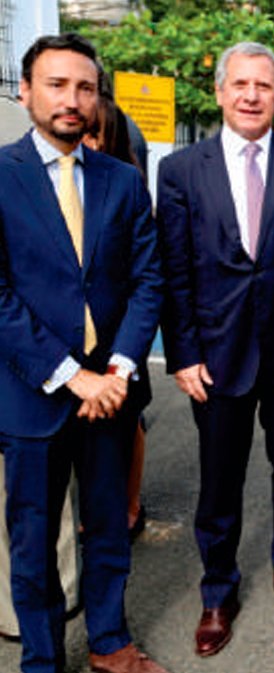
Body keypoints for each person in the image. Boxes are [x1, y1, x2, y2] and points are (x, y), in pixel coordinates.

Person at [155, 41, 274, 657]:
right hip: (215, 351)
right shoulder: (181, 171)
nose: (251, 95)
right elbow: (175, 271)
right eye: (240, 84)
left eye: (264, 86)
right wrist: (182, 353)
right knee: (219, 480)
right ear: (219, 92)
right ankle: (218, 590)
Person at [0, 33, 166, 673]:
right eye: (58, 85)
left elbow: (148, 280)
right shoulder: (3, 177)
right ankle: (42, 660)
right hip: (33, 395)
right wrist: (75, 378)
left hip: (111, 395)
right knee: (35, 541)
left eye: (86, 88)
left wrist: (119, 370)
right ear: (27, 92)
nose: (73, 100)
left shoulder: (122, 181)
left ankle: (110, 643)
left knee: (108, 530)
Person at [0, 93, 81, 643]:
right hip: (29, 373)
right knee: (28, 532)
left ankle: (85, 634)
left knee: (47, 530)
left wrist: (96, 371)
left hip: (78, 378)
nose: (70, 98)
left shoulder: (109, 174)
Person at [81, 75, 149, 541]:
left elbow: (147, 277)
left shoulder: (126, 186)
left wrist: (122, 359)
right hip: (68, 343)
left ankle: (128, 502)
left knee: (128, 418)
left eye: (93, 133)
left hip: (121, 333)